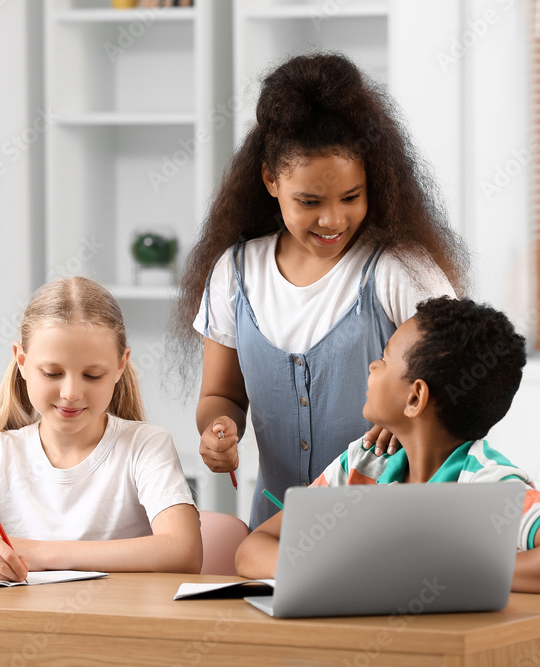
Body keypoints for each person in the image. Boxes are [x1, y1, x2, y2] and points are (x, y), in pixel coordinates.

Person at [171, 52, 470, 529]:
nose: (333, 220)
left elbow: (461, 375)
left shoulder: (397, 269)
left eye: (351, 197)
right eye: (309, 201)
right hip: (274, 532)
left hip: (389, 528)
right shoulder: (236, 272)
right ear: (270, 180)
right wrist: (217, 430)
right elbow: (221, 394)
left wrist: (403, 416)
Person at [235, 296, 540, 594]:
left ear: (415, 398)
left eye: (384, 359)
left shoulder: (485, 485)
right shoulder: (363, 463)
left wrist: (433, 574)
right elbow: (254, 548)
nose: (372, 367)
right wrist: (330, 568)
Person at [0, 277, 202, 580]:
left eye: (92, 376)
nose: (71, 393)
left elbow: (183, 550)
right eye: (52, 373)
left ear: (121, 365)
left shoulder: (144, 446)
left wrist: (45, 554)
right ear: (21, 361)